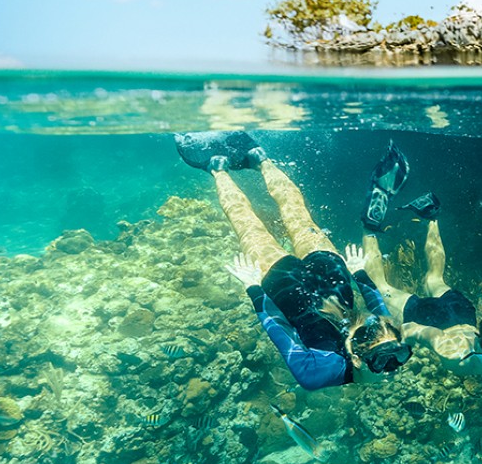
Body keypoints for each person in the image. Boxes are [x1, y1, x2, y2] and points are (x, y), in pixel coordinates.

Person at [176, 131, 412, 390]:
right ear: (356, 360)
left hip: (307, 282)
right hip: (313, 280)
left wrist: (255, 288)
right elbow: (280, 329)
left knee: (257, 225)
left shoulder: (317, 374)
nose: (393, 371)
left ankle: (222, 167)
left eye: (391, 362)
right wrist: (359, 274)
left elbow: (281, 332)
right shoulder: (317, 374)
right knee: (286, 219)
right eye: (390, 360)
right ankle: (255, 160)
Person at [358, 143, 482, 446]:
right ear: (479, 339)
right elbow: (412, 330)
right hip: (439, 318)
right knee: (384, 288)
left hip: (462, 311)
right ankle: (371, 227)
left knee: (434, 277)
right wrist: (388, 349)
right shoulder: (452, 350)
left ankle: (432, 216)